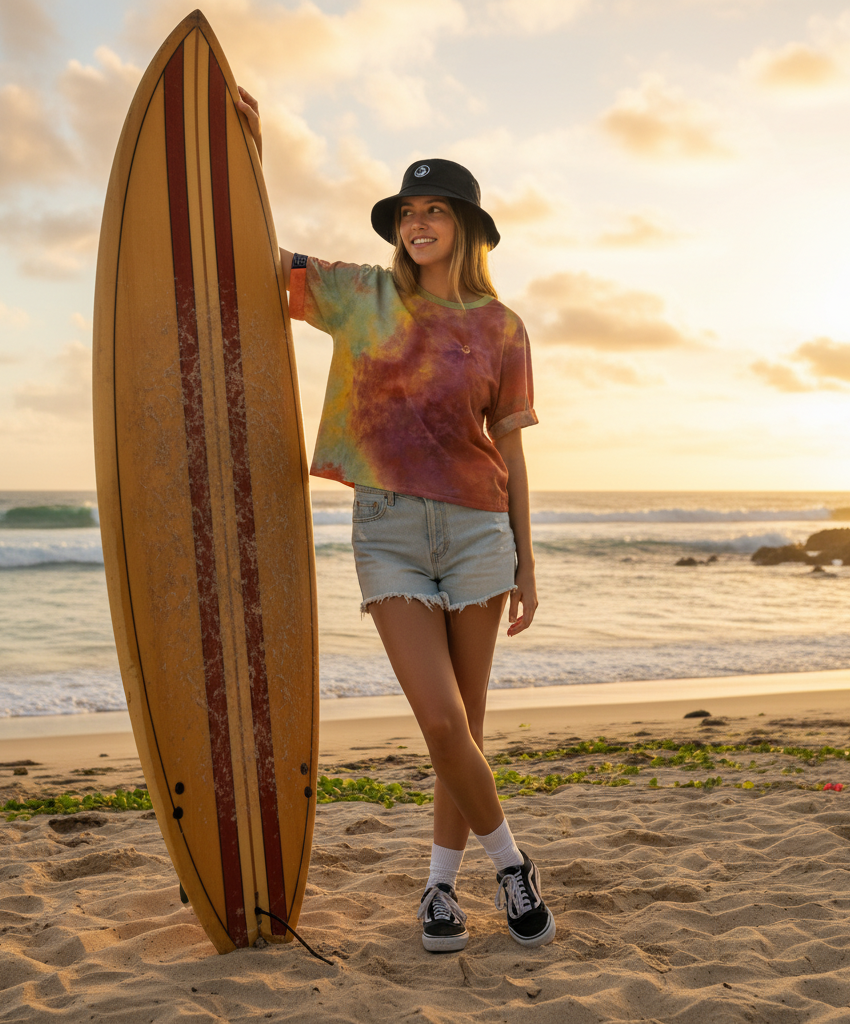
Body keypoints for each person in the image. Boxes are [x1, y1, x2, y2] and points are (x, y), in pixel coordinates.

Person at [236, 89, 554, 953]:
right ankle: (513, 865)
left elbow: (513, 454)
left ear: (466, 227)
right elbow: (252, 250)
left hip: (481, 533)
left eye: (434, 211)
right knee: (442, 723)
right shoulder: (360, 297)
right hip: (388, 534)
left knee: (469, 729)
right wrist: (243, 145)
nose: (417, 224)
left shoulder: (502, 328)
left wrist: (528, 559)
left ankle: (439, 890)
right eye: (407, 212)